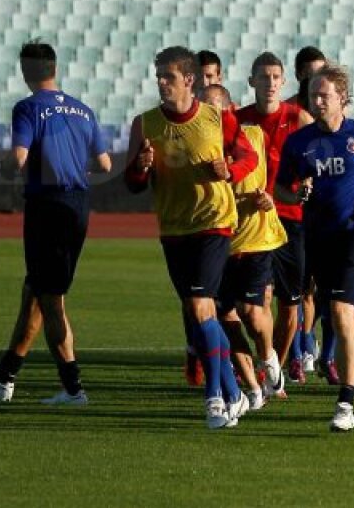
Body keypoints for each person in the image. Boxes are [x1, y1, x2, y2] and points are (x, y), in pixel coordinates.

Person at [124, 46, 259, 429]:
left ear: (189, 79)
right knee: (196, 312)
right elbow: (131, 183)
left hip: (214, 223)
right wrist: (140, 167)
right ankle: (234, 392)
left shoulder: (217, 119)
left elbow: (248, 158)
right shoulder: (145, 123)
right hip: (174, 229)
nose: (161, 83)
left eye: (168, 76)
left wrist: (229, 169)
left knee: (201, 306)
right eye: (158, 76)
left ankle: (215, 398)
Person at [0, 40, 111, 406]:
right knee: (35, 288)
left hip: (47, 207)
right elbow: (105, 164)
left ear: (25, 71)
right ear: (54, 68)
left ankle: (73, 387)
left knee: (50, 298)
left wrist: (3, 167)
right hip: (78, 204)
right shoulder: (83, 110)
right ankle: (4, 377)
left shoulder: (28, 108)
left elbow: (18, 159)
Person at [275, 65, 354, 432]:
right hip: (317, 237)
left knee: (342, 313)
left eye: (324, 94)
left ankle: (345, 401)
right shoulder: (299, 142)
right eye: (313, 93)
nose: (317, 100)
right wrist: (296, 195)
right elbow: (282, 188)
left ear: (342, 97)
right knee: (350, 320)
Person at [203, 83, 287, 412]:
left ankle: (268, 360)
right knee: (225, 316)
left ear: (231, 109)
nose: (211, 116)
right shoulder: (197, 142)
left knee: (252, 314)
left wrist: (269, 194)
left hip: (255, 236)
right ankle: (252, 388)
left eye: (217, 109)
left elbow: (273, 165)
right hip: (217, 241)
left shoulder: (253, 136)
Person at [235, 52, 315, 392]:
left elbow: (318, 157)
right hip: (253, 223)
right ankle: (263, 364)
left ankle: (275, 374)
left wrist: (308, 182)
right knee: (256, 304)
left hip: (292, 222)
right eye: (263, 76)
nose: (269, 83)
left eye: (275, 77)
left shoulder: (299, 118)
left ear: (284, 82)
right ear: (251, 81)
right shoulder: (238, 120)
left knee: (290, 302)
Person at [282, 44, 328, 377]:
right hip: (288, 212)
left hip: (319, 214)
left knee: (313, 288)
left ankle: (308, 342)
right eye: (310, 72)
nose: (316, 78)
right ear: (299, 74)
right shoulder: (288, 113)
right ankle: (299, 350)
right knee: (293, 288)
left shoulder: (330, 115)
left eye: (321, 71)